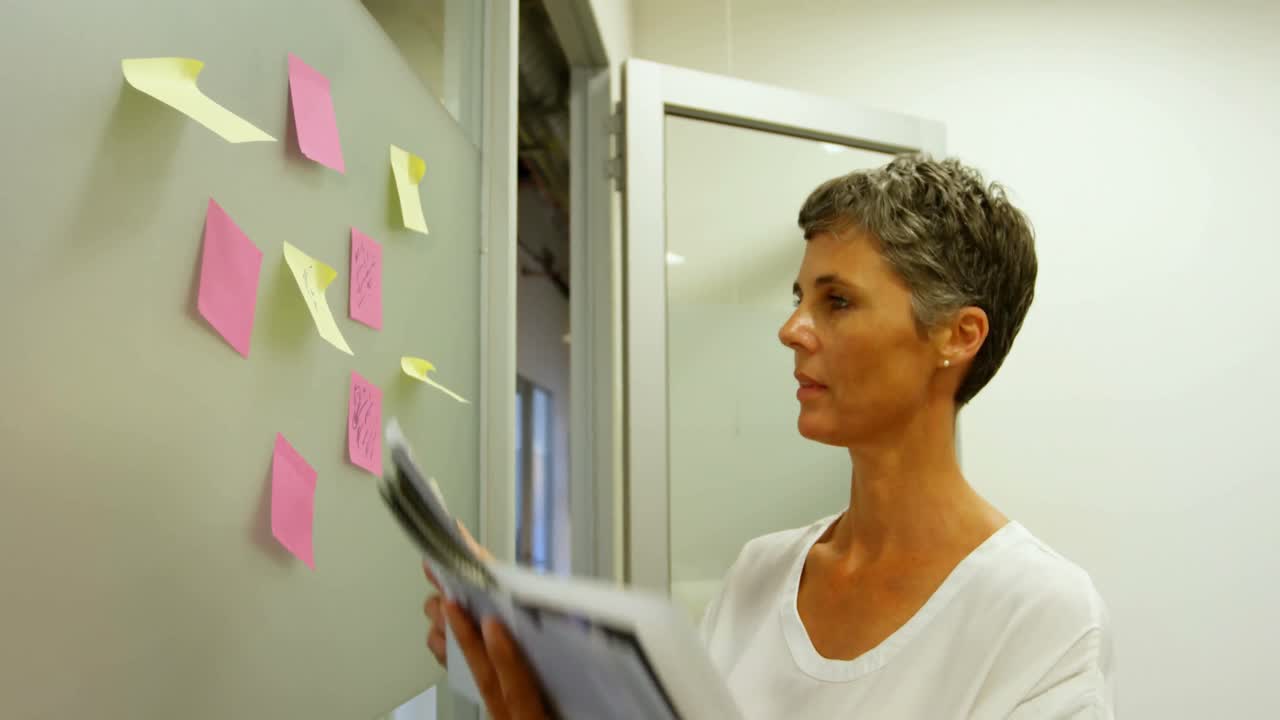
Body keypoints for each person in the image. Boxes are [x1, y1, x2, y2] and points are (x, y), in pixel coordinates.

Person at [422, 155, 1116, 719]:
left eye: (835, 301)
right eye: (799, 297)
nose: (792, 329)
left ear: (957, 336)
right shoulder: (760, 574)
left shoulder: (1042, 614)